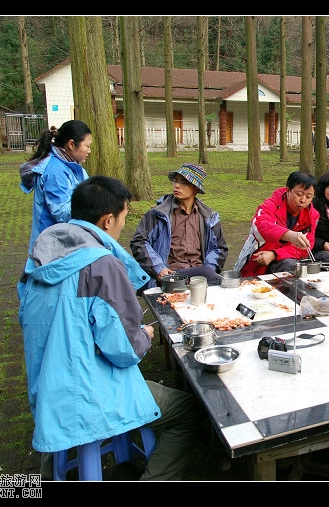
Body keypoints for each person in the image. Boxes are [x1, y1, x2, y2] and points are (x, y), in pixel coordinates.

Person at [18, 176, 204, 481]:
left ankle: (55, 467)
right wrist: (143, 336)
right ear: (107, 220)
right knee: (190, 411)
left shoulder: (43, 253)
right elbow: (124, 350)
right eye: (123, 217)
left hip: (46, 386)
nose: (123, 225)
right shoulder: (102, 265)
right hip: (87, 392)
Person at [131, 163, 228, 288]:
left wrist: (209, 269)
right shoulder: (158, 214)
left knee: (210, 278)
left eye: (183, 182)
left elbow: (219, 248)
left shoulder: (209, 217)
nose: (176, 185)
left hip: (199, 274)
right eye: (175, 180)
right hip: (169, 275)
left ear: (195, 189)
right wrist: (159, 268)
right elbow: (139, 242)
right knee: (205, 274)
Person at [19, 120, 92, 255]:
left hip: (65, 240)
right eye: (87, 146)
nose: (89, 151)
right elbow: (61, 212)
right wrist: (93, 210)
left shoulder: (73, 166)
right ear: (71, 144)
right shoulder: (55, 170)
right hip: (50, 245)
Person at [234, 171, 319, 277]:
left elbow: (305, 247)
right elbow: (260, 225)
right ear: (288, 190)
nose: (303, 200)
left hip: (284, 259)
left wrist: (274, 254)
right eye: (299, 194)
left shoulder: (312, 216)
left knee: (291, 268)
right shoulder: (271, 204)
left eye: (309, 196)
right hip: (257, 258)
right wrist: (289, 235)